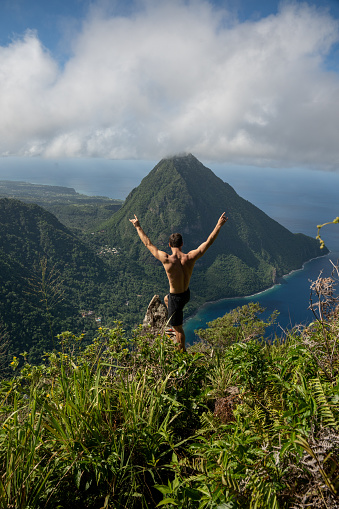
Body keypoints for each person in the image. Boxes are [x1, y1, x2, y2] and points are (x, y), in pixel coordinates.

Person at [129, 212, 228, 351]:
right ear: (182, 244)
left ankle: (181, 352)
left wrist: (138, 226)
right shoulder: (190, 257)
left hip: (176, 298)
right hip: (186, 294)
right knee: (165, 298)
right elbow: (208, 242)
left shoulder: (166, 259)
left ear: (169, 245)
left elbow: (148, 244)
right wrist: (218, 225)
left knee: (179, 328)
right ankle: (173, 323)